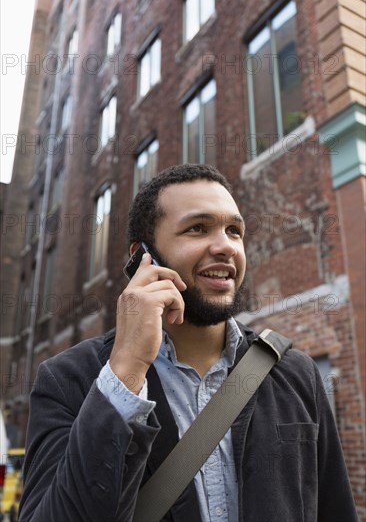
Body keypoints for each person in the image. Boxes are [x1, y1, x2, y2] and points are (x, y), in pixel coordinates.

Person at [19, 164, 357, 521]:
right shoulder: (67, 380)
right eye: (198, 228)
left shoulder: (295, 372)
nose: (226, 246)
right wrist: (126, 370)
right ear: (142, 257)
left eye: (234, 231)